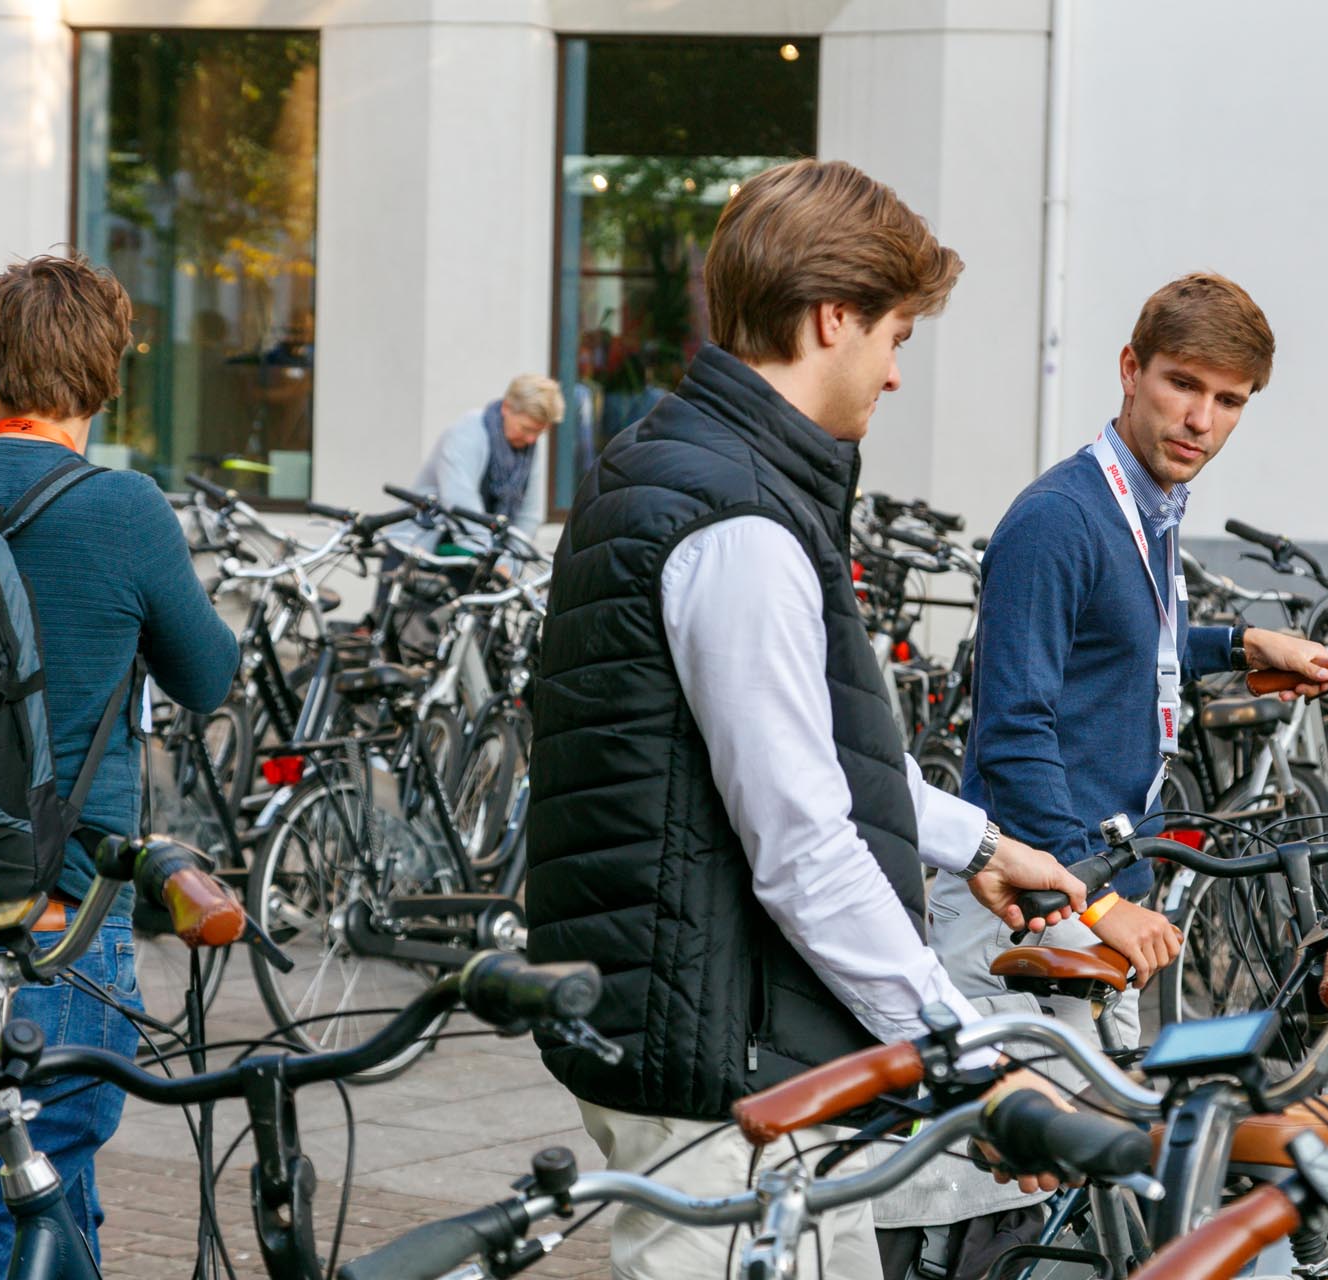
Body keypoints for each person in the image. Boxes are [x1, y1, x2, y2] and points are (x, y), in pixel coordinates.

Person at [526, 158, 1088, 1280]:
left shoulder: (679, 463)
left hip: (691, 1035)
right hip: (722, 1071)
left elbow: (799, 756)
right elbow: (803, 844)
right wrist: (971, 1060)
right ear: (833, 317)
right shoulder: (738, 521)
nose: (893, 374)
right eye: (894, 337)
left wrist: (975, 841)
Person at [0, 252, 239, 1277]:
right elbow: (209, 676)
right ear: (108, 373)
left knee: (46, 1181)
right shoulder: (121, 510)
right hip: (60, 914)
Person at [931, 272, 1328, 1036]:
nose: (1200, 419)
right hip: (1031, 899)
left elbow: (1118, 639)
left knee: (1102, 1147)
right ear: (1129, 370)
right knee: (1004, 1154)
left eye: (1229, 400)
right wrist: (1100, 903)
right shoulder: (1060, 520)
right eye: (1182, 384)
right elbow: (1013, 731)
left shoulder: (1150, 503)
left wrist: (1240, 645)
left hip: (1094, 888)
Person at [408, 373, 561, 545]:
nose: (531, 439)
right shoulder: (468, 433)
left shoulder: (527, 447)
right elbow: (460, 504)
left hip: (477, 554)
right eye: (526, 429)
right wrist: (493, 557)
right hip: (420, 547)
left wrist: (510, 562)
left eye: (539, 433)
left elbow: (529, 515)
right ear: (506, 408)